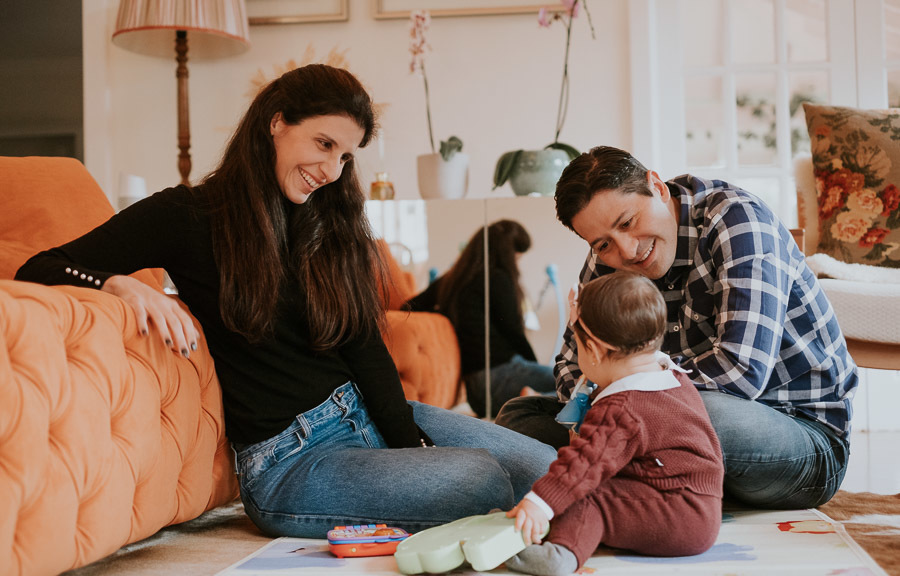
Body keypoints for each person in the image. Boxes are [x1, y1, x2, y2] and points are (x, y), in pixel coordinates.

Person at [15, 64, 556, 538]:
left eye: (346, 155)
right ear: (277, 121)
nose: (333, 171)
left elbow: (365, 348)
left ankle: (601, 507)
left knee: (544, 465)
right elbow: (39, 266)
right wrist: (119, 283)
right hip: (291, 462)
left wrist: (408, 452)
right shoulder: (187, 214)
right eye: (324, 144)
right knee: (483, 478)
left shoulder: (329, 221)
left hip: (362, 416)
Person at [495, 145, 855, 510]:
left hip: (799, 436)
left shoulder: (738, 220)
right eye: (603, 243)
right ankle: (642, 483)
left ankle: (603, 481)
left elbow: (740, 373)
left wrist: (618, 399)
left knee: (705, 413)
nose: (628, 250)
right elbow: (572, 364)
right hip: (667, 425)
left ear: (657, 187)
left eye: (628, 222)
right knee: (520, 415)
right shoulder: (607, 255)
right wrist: (606, 402)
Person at [503, 271, 724, 576]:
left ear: (592, 350)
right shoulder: (671, 377)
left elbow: (582, 465)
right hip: (699, 507)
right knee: (594, 486)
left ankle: (561, 553)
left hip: (677, 515)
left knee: (587, 494)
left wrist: (538, 503)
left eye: (578, 346)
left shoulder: (621, 408)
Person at [406, 219, 555, 418]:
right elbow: (513, 332)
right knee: (573, 384)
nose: (517, 263)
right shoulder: (498, 278)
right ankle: (533, 399)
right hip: (500, 375)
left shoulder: (453, 278)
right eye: (517, 257)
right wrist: (533, 364)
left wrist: (444, 318)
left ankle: (532, 399)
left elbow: (409, 306)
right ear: (507, 254)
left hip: (476, 393)